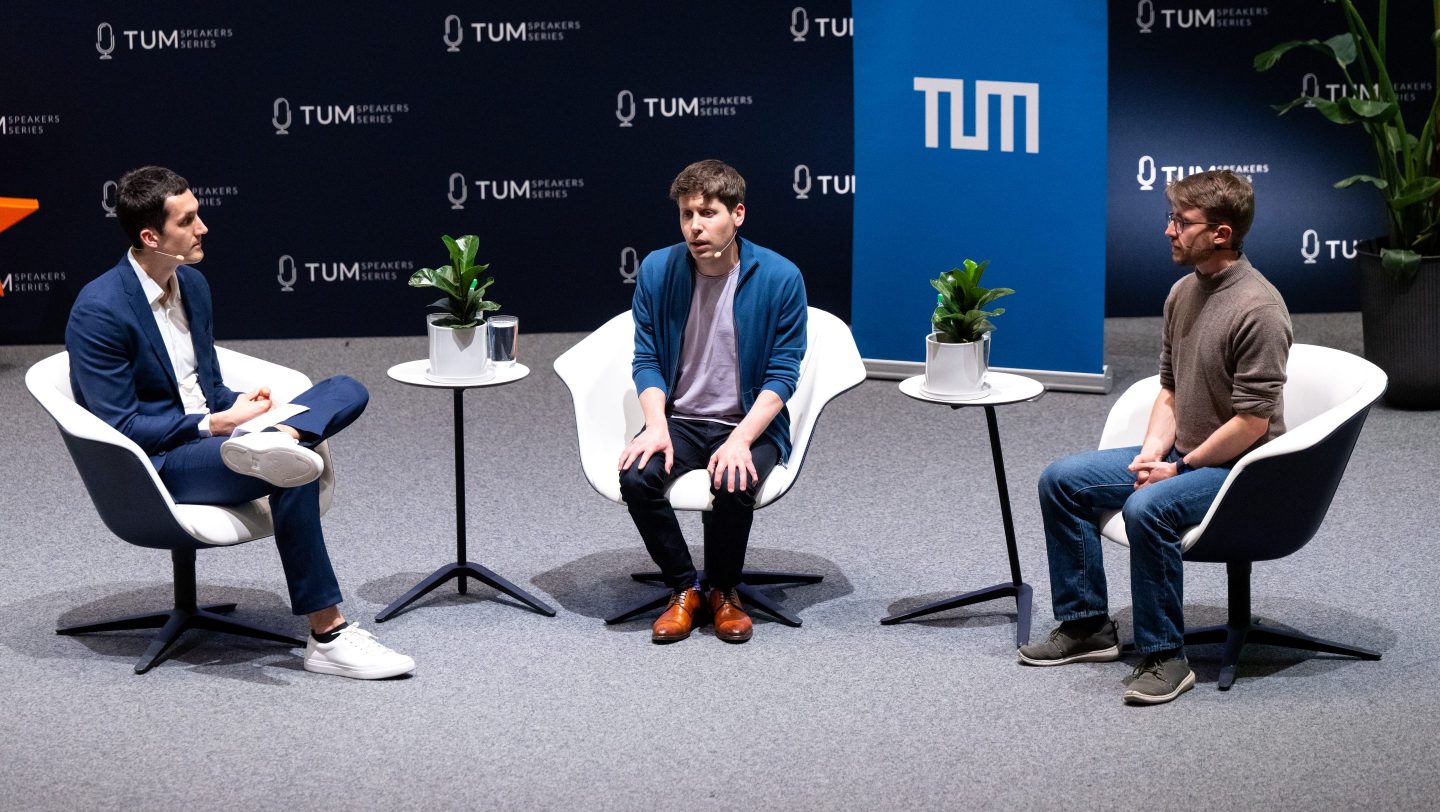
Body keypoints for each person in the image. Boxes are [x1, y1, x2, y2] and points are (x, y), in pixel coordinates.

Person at [66, 165, 415, 680]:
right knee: (290, 467)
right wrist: (214, 424)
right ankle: (328, 635)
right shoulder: (100, 309)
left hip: (227, 435)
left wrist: (245, 406)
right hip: (162, 459)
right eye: (188, 221)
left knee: (346, 388)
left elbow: (204, 383)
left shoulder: (195, 286)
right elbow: (122, 426)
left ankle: (279, 436)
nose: (203, 228)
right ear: (150, 236)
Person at [1017, 169, 1291, 704]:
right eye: (1171, 218)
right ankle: (1086, 626)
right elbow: (1169, 388)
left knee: (1150, 510)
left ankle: (1166, 656)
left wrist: (1178, 471)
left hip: (1243, 470)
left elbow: (1252, 423)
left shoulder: (1258, 309)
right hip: (1184, 454)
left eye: (1181, 222)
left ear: (1221, 233)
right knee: (1062, 481)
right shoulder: (1182, 293)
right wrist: (1150, 453)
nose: (1169, 231)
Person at [618, 159, 807, 644]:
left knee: (734, 479)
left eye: (707, 213)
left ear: (737, 214)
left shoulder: (780, 277)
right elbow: (646, 360)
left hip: (748, 421)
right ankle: (685, 588)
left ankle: (724, 590)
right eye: (686, 215)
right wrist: (655, 426)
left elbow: (783, 375)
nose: (695, 227)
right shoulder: (659, 270)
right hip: (681, 418)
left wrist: (742, 439)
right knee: (637, 478)